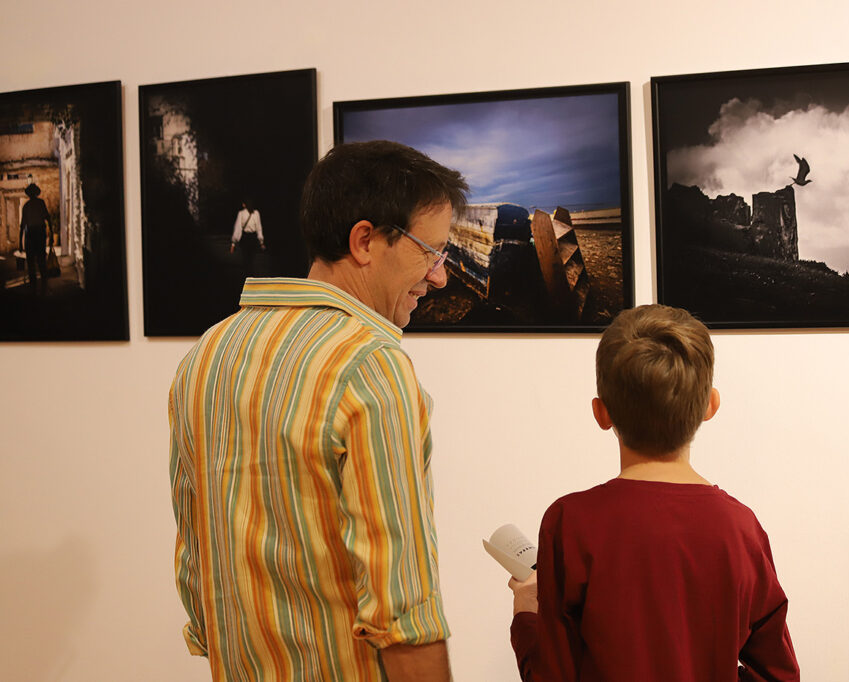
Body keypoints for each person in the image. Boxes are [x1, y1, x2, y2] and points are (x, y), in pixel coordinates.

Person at [169, 140, 467, 682]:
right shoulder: (371, 366)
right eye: (432, 252)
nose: (440, 276)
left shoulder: (208, 354)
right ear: (365, 241)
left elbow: (196, 565)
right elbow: (402, 608)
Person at [507, 304, 800, 681]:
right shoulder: (741, 528)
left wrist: (526, 616)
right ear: (710, 405)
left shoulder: (570, 522)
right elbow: (778, 673)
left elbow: (553, 676)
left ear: (601, 413)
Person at [19, 183, 51, 294]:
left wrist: (20, 243)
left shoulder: (26, 206)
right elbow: (48, 219)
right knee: (41, 260)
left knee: (31, 262)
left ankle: (34, 287)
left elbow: (22, 226)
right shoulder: (40, 203)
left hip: (31, 235)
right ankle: (43, 285)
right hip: (39, 234)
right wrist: (51, 234)